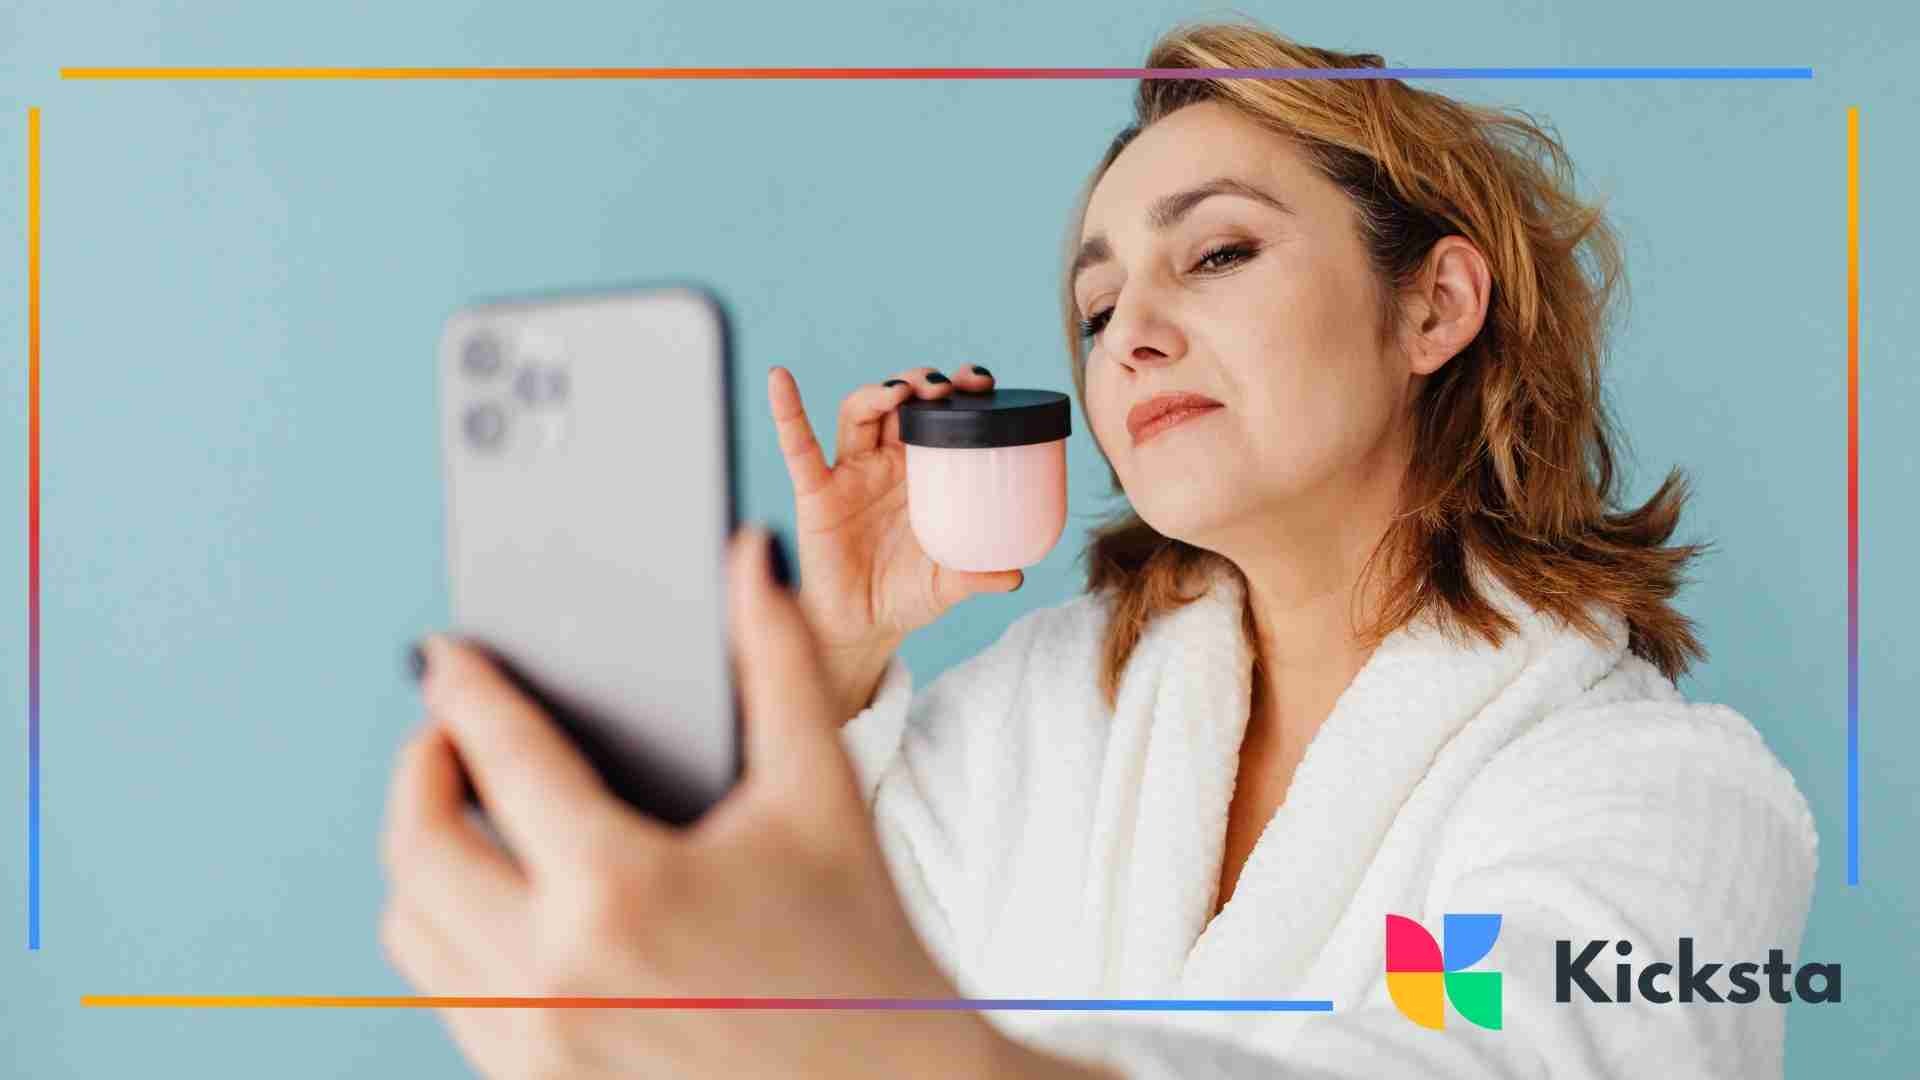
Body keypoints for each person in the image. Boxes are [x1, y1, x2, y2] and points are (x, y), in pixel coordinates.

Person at [381, 20, 1817, 1079]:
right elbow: (719, 963)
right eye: (1093, 304)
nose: (1130, 333)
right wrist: (833, 653)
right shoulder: (1038, 718)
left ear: (1434, 306)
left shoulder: (1664, 795)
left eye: (1219, 254)